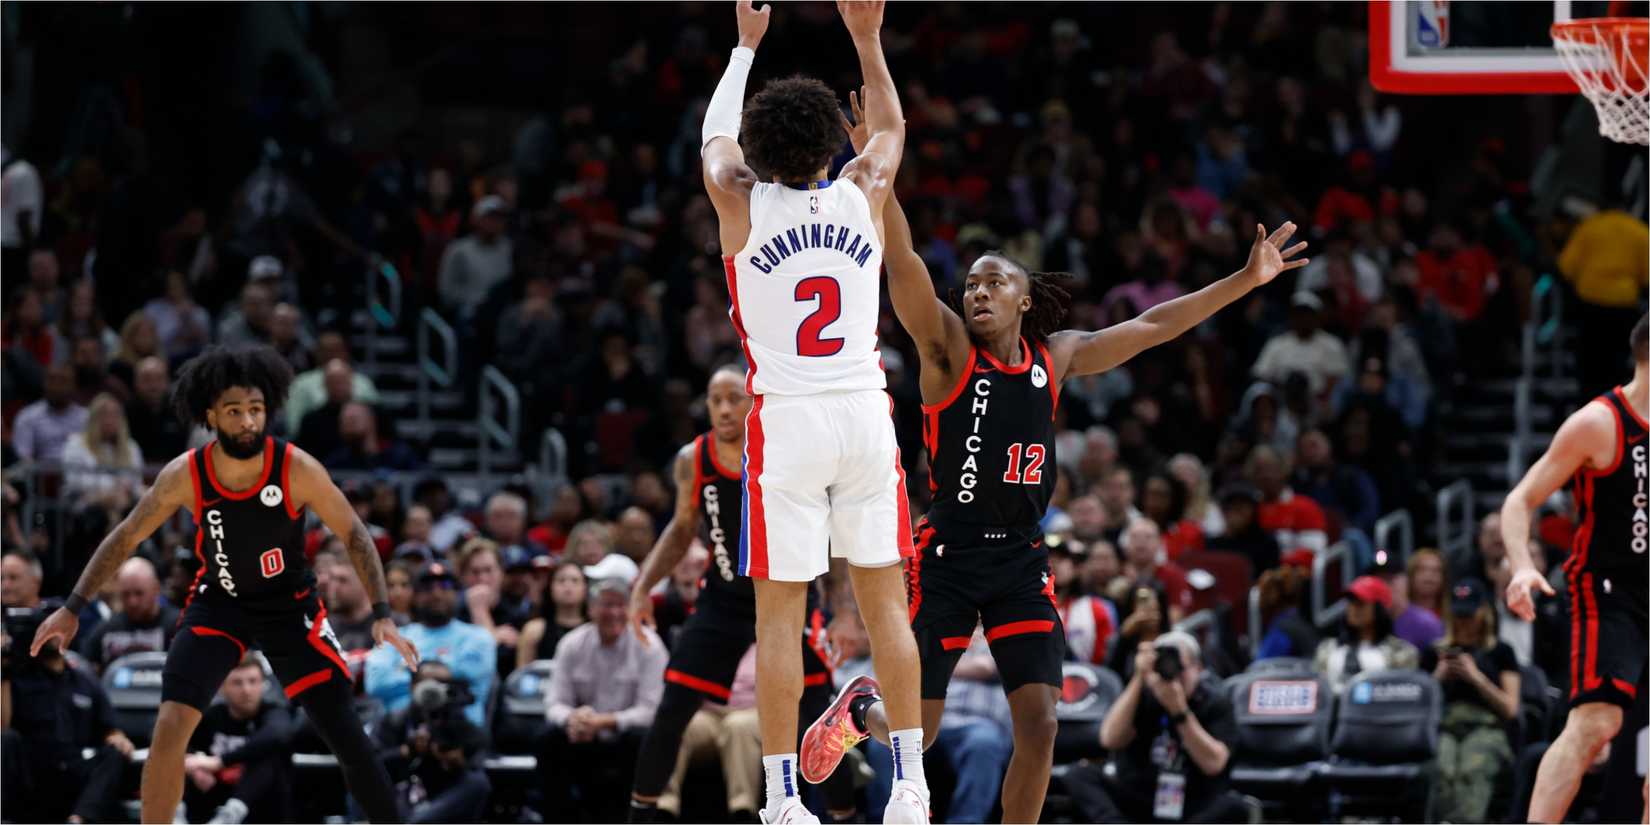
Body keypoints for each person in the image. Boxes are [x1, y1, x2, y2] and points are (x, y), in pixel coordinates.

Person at [804, 94, 1307, 823]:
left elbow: (1155, 324)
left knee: (1040, 723)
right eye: (971, 282)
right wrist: (876, 170)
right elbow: (904, 260)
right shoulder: (946, 355)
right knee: (923, 731)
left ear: (1023, 299)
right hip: (946, 556)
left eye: (993, 282)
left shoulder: (1056, 357)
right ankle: (861, 707)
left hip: (1020, 559)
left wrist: (1244, 279)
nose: (977, 290)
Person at [29, 344, 420, 824]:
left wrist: (382, 612)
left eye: (256, 410)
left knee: (346, 734)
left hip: (288, 606)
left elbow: (355, 533)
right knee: (170, 727)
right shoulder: (186, 474)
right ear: (211, 415)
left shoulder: (295, 467)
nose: (248, 421)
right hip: (221, 602)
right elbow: (126, 535)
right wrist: (72, 606)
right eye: (234, 411)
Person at [699, 2, 925, 820]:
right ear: (836, 142)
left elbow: (713, 142)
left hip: (787, 423)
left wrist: (745, 45)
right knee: (885, 605)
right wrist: (866, 38)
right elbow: (891, 127)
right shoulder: (865, 190)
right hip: (862, 412)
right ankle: (910, 785)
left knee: (780, 614)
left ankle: (783, 801)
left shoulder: (740, 202)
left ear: (763, 151)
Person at [627, 366, 849, 822]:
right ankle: (640, 816)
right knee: (673, 710)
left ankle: (847, 815)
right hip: (724, 598)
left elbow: (832, 530)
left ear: (755, 401)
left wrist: (842, 609)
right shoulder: (694, 458)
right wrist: (642, 588)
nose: (725, 408)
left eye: (735, 397)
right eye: (715, 400)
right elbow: (681, 529)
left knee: (818, 715)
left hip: (791, 595)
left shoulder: (787, 451)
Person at [1502, 313, 1648, 823]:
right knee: (1594, 723)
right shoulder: (1600, 422)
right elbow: (1520, 501)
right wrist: (1521, 566)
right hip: (1609, 590)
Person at [1067, 631, 1247, 823]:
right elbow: (1109, 739)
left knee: (1234, 807)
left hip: (1192, 799)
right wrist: (1139, 678)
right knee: (1080, 775)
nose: (1172, 675)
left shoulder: (1216, 701)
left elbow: (1214, 764)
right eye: (1162, 666)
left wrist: (1179, 711)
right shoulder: (1143, 695)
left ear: (1198, 668)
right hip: (1139, 794)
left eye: (1180, 668)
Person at [542, 578, 668, 823]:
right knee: (547, 739)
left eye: (621, 605)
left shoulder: (650, 646)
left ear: (631, 609)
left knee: (643, 738)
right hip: (582, 736)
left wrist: (605, 722)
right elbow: (553, 702)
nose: (614, 613)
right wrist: (573, 718)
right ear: (590, 609)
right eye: (606, 605)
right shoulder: (571, 644)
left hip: (625, 738)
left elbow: (651, 711)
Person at [3, 604, 135, 824]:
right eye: (46, 626)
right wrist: (4, 671)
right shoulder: (16, 676)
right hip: (31, 773)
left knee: (115, 752)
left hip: (72, 770)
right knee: (5, 740)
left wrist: (115, 736)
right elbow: (2, 724)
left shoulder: (83, 679)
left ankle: (79, 819)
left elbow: (109, 728)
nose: (53, 633)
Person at [1419, 578, 1520, 824]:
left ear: (1484, 611)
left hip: (1487, 727)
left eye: (1470, 614)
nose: (1464, 622)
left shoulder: (1501, 652)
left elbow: (1511, 708)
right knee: (1441, 767)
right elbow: (1416, 706)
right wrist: (1437, 678)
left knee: (1473, 766)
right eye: (1459, 615)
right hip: (1443, 726)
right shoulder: (1434, 652)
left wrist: (1477, 678)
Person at [365, 561, 494, 727]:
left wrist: (408, 670)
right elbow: (376, 683)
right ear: (415, 596)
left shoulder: (478, 636)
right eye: (427, 587)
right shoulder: (396, 637)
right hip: (401, 734)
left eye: (445, 585)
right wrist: (426, 674)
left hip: (462, 735)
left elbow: (475, 672)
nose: (436, 593)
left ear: (456, 592)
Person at [182, 655, 297, 824]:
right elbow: (179, 743)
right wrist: (194, 767)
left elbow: (276, 735)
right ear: (222, 687)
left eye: (253, 681)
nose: (246, 690)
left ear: (263, 684)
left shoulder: (274, 712)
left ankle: (231, 814)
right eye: (237, 682)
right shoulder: (213, 716)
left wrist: (219, 761)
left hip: (265, 807)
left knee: (267, 755)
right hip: (216, 796)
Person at [374, 660, 492, 824]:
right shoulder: (395, 720)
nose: (436, 689)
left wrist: (456, 760)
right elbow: (374, 762)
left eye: (444, 683)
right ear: (413, 686)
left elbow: (478, 757)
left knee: (478, 783)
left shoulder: (458, 722)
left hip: (445, 794)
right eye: (430, 683)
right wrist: (407, 751)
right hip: (404, 789)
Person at [1310, 575, 1419, 695]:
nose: (1354, 609)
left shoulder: (1402, 652)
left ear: (1379, 608)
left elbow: (1404, 695)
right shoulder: (1327, 648)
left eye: (1360, 603)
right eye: (1351, 602)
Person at [78, 556, 180, 670]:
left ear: (156, 589)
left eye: (139, 593)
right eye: (126, 594)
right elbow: (84, 669)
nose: (132, 602)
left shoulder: (177, 626)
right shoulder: (106, 629)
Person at [518, 561, 588, 669]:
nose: (568, 586)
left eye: (575, 581)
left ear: (585, 589)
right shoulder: (534, 630)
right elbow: (522, 675)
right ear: (550, 588)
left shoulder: (596, 629)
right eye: (561, 580)